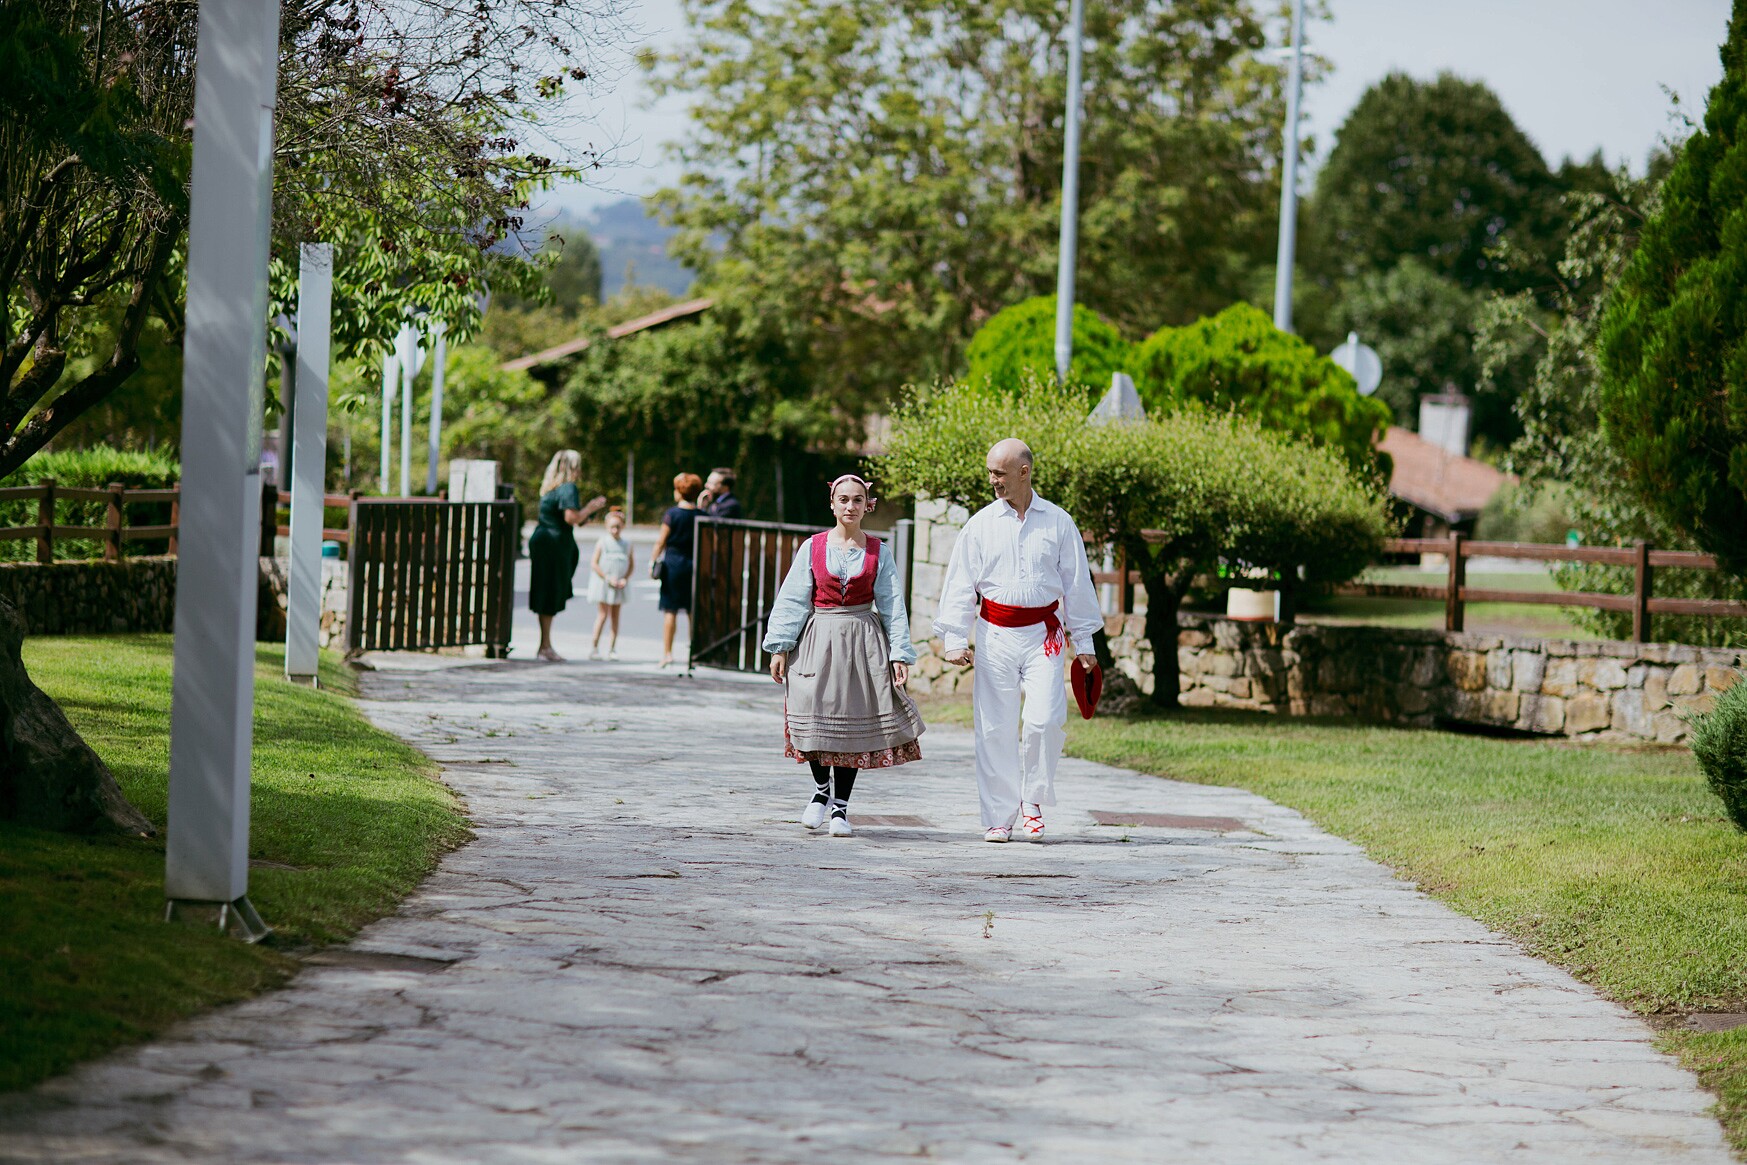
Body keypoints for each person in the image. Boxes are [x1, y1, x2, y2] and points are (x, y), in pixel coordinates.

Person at [933, 439, 1101, 843]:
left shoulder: (1058, 522)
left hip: (1044, 635)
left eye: (999, 473)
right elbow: (960, 583)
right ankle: (998, 816)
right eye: (990, 471)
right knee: (994, 726)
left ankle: (1033, 800)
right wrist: (955, 637)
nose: (992, 480)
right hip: (994, 636)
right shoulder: (980, 525)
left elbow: (1077, 585)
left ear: (1024, 472)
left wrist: (1086, 645)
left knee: (1043, 720)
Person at [764, 474, 923, 837]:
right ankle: (820, 791)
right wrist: (780, 646)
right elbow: (793, 597)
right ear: (832, 504)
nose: (850, 506)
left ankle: (841, 808)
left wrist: (899, 652)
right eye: (843, 500)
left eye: (857, 500)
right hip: (818, 637)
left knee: (849, 723)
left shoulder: (878, 551)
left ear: (869, 504)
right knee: (812, 714)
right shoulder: (814, 547)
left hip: (862, 642)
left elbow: (893, 604)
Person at [528, 450, 607, 662]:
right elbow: (571, 518)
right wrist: (591, 506)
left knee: (545, 591)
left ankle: (544, 644)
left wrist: (587, 514)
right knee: (551, 592)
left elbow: (572, 519)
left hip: (543, 540)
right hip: (554, 545)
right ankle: (545, 646)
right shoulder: (568, 488)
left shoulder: (550, 489)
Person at [650, 472, 703, 668]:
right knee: (692, 612)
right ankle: (694, 653)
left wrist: (652, 561)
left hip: (673, 565)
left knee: (670, 610)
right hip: (694, 565)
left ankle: (667, 654)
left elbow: (660, 541)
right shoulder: (701, 515)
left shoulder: (672, 514)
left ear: (679, 492)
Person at [585, 507, 634, 660]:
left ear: (622, 527)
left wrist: (625, 578)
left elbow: (631, 564)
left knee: (615, 617)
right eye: (612, 527)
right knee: (602, 615)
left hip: (619, 584)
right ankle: (594, 646)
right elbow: (594, 563)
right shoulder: (603, 542)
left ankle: (612, 648)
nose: (615, 530)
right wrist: (606, 578)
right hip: (605, 584)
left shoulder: (627, 544)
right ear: (607, 527)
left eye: (618, 527)